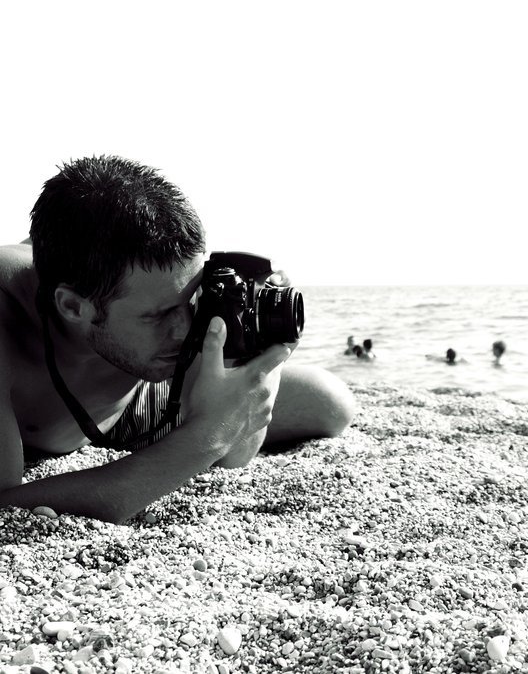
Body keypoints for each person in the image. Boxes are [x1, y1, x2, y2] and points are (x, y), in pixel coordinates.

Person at [0, 155, 355, 524]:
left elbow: (234, 458)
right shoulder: (6, 308)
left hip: (127, 406)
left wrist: (256, 362)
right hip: (36, 426)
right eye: (157, 315)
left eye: (190, 300)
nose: (184, 328)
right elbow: (6, 505)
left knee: (329, 401)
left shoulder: (154, 285)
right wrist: (207, 435)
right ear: (72, 306)